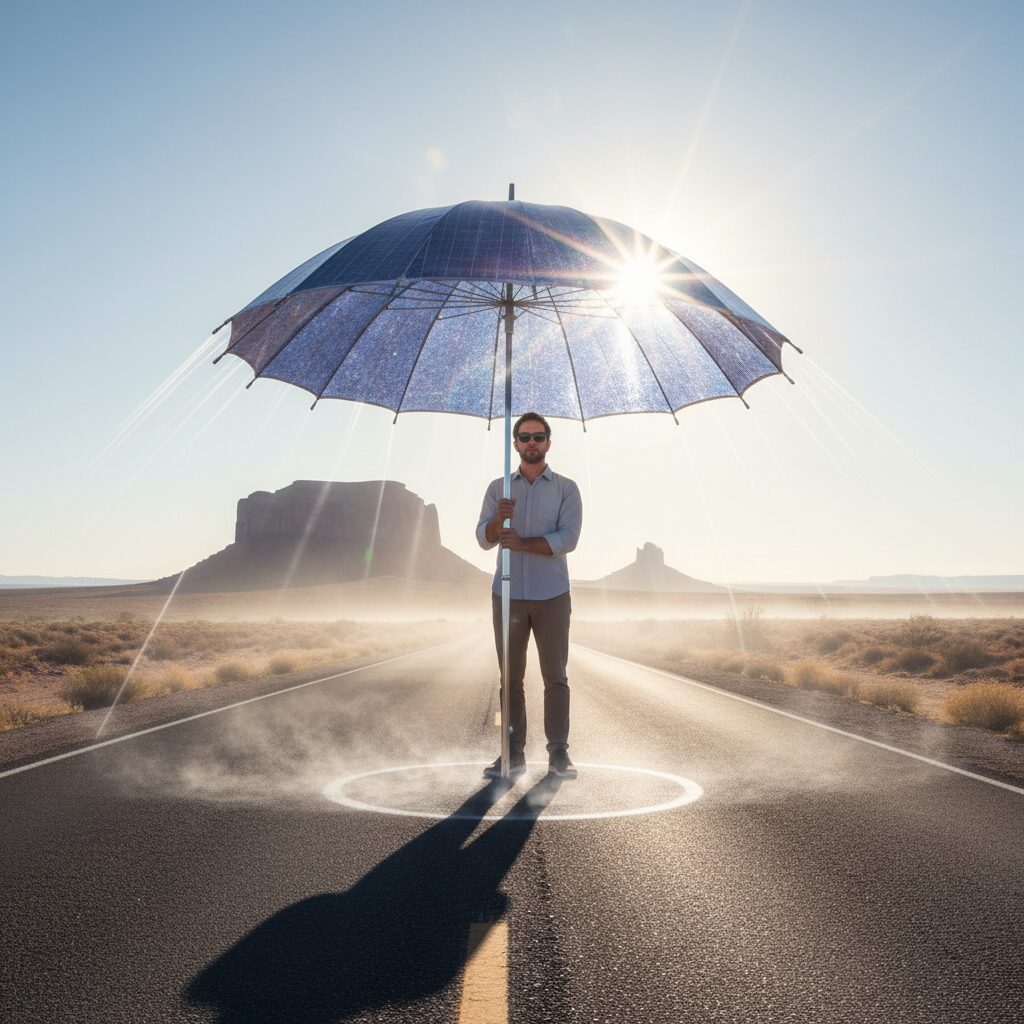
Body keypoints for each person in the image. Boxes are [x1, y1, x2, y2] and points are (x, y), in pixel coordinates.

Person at [475, 412, 583, 780]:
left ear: (548, 443)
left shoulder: (566, 488)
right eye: (524, 436)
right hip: (506, 593)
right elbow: (483, 539)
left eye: (538, 436)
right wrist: (497, 520)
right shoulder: (498, 488)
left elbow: (568, 538)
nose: (531, 442)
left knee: (555, 676)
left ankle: (558, 756)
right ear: (516, 443)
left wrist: (523, 543)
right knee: (511, 679)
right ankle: (512, 755)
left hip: (552, 595)